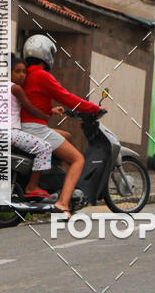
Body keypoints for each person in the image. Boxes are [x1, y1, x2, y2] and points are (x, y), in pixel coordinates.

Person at [21, 35, 102, 216]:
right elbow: (68, 97)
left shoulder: (25, 74)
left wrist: (50, 110)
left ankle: (55, 181)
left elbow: (31, 103)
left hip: (25, 126)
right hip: (36, 129)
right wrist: (94, 108)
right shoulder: (43, 76)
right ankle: (63, 203)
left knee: (66, 136)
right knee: (77, 159)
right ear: (46, 54)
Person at [9, 55, 55, 198]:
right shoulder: (16, 88)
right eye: (18, 71)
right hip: (10, 133)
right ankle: (32, 186)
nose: (22, 75)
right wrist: (46, 115)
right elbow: (30, 108)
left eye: (24, 72)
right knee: (45, 147)